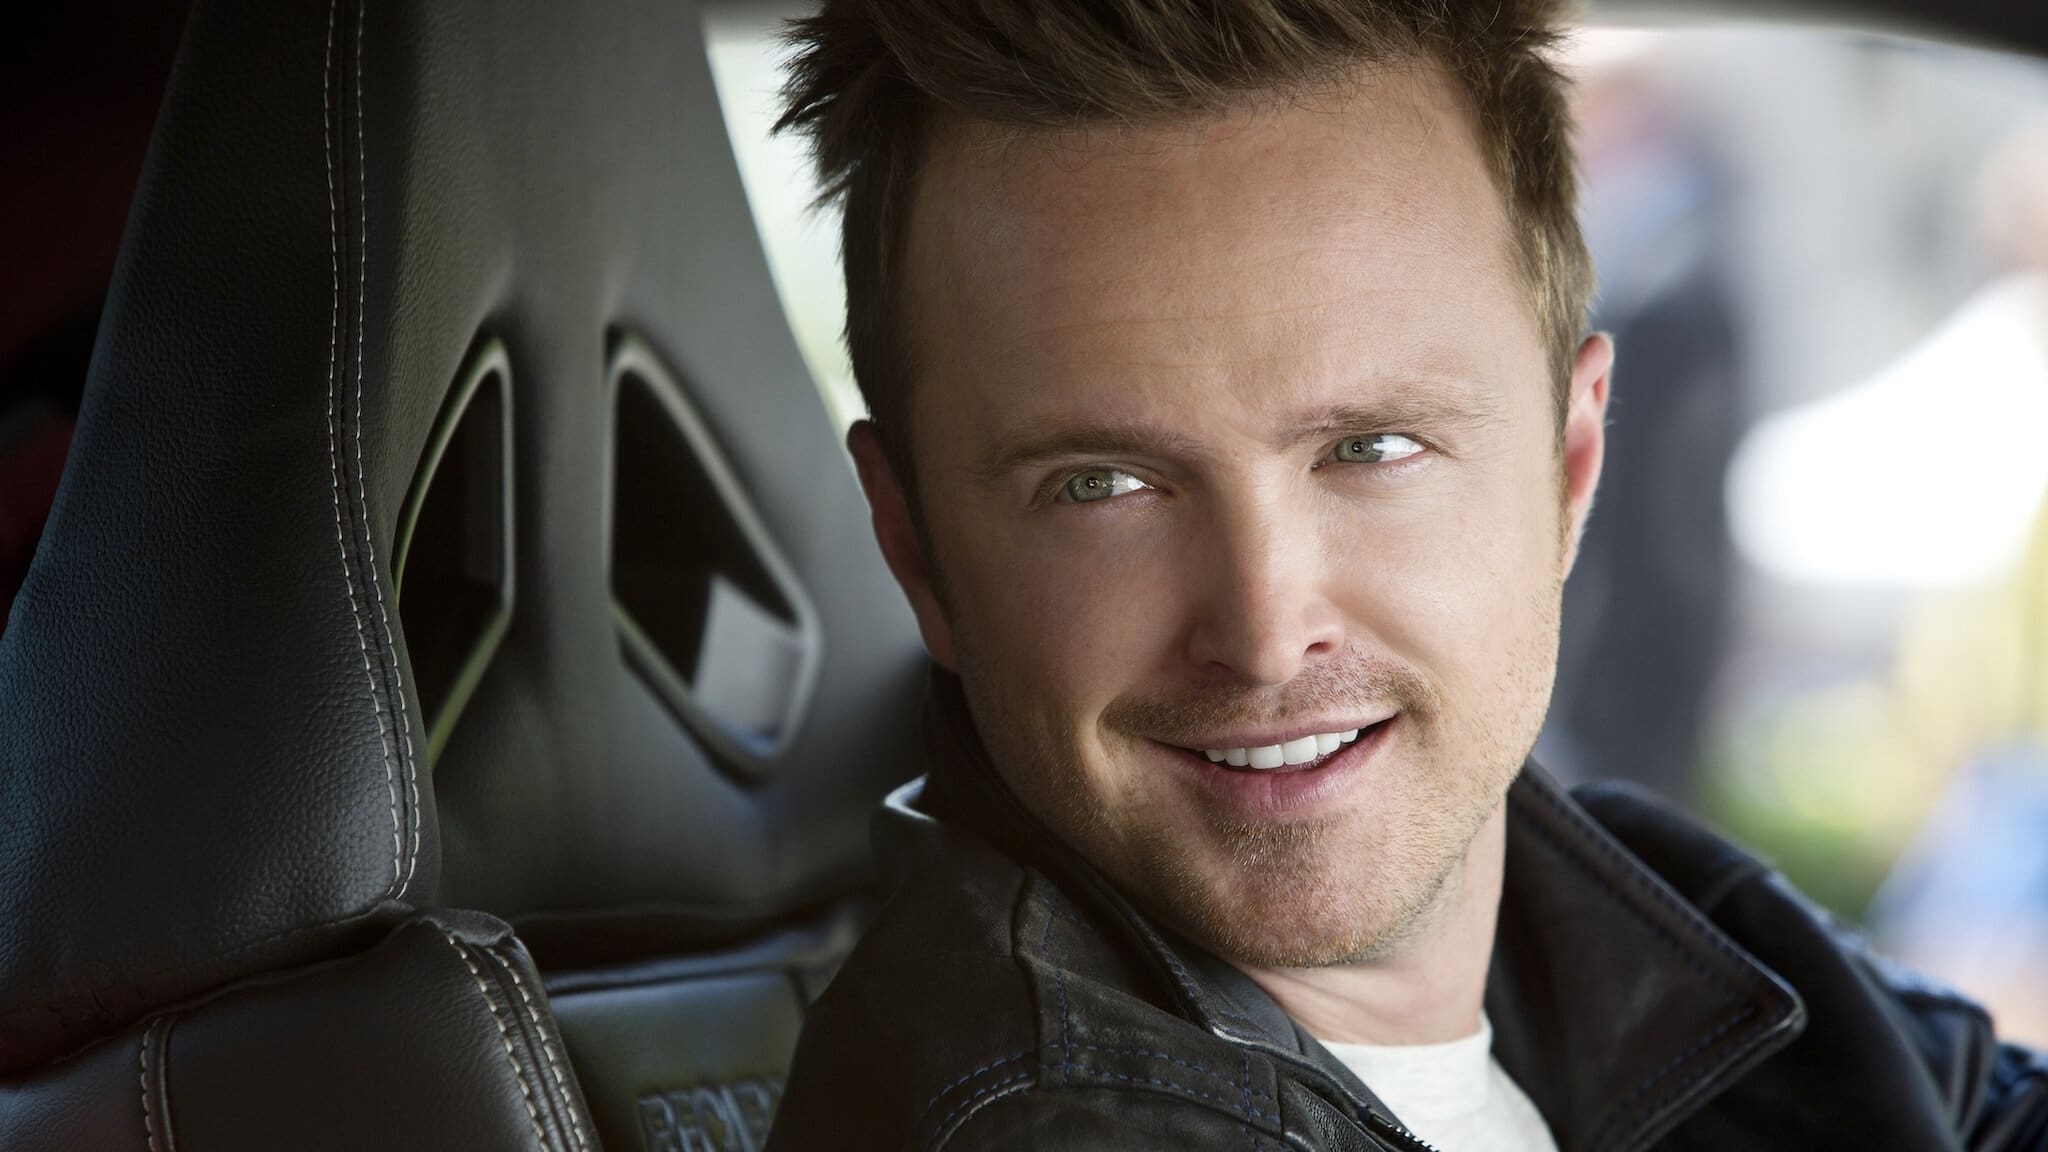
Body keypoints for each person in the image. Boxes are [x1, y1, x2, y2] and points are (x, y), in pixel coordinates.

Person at [761, 1, 2048, 1148]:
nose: (1265, 630)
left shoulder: (1633, 915)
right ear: (915, 545)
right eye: (1101, 485)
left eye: (1371, 450)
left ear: (1567, 466)